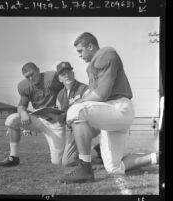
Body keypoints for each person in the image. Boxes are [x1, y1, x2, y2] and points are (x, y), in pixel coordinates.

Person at [60, 32, 159, 183]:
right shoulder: (91, 66)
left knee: (76, 110)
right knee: (114, 168)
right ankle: (154, 157)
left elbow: (101, 94)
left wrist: (74, 105)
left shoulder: (106, 53)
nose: (79, 55)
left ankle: (85, 168)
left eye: (80, 51)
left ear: (91, 46)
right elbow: (94, 95)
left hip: (119, 108)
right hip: (110, 114)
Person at [0, 62, 65, 167]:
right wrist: (23, 112)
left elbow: (68, 89)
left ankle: (90, 149)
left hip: (55, 121)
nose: (30, 78)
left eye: (32, 74)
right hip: (39, 119)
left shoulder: (52, 77)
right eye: (27, 76)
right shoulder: (23, 86)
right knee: (12, 119)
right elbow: (21, 105)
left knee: (58, 162)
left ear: (38, 70)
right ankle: (13, 157)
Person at [49, 61, 102, 166]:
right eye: (63, 74)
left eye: (68, 72)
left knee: (70, 160)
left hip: (89, 125)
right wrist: (56, 117)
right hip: (73, 129)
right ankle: (97, 151)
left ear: (73, 74)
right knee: (66, 161)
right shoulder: (60, 95)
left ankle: (93, 155)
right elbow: (61, 116)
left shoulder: (84, 88)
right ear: (60, 79)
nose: (67, 75)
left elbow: (90, 109)